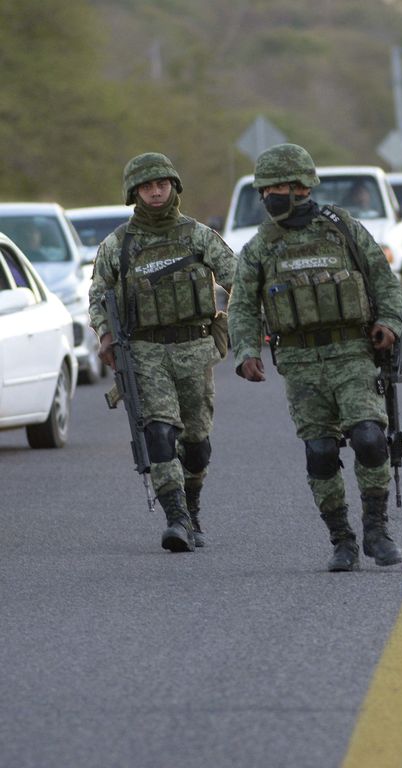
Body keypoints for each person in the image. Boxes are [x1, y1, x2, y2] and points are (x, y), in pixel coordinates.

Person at [227, 143, 402, 572]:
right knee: (321, 451)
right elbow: (242, 306)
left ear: (302, 187)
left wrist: (390, 324)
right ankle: (341, 539)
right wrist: (246, 350)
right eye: (264, 188)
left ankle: (377, 531)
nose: (270, 195)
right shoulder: (260, 247)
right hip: (300, 361)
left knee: (368, 437)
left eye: (279, 186)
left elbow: (383, 282)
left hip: (352, 353)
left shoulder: (342, 229)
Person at [88, 152, 236, 552]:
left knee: (197, 443)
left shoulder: (197, 235)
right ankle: (176, 520)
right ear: (134, 192)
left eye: (162, 185)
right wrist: (104, 335)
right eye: (147, 186)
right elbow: (99, 296)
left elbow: (237, 278)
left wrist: (246, 326)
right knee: (159, 432)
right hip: (145, 352)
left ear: (173, 187)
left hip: (194, 348)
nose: (156, 192)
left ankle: (192, 507)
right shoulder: (118, 245)